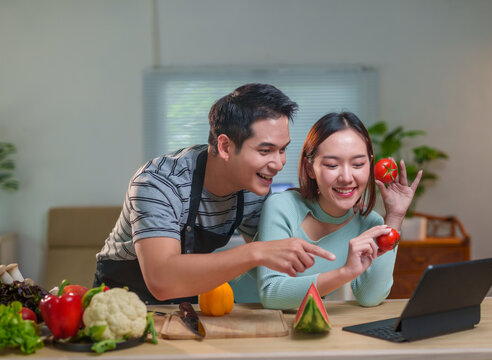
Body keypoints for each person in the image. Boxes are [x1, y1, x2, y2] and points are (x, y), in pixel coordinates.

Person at [93, 83, 335, 304]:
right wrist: (255, 252)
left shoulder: (253, 190)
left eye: (282, 150)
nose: (279, 163)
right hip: (122, 304)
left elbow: (281, 264)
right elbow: (162, 281)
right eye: (265, 150)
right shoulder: (158, 183)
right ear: (225, 146)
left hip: (185, 306)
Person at [255, 112, 422, 309]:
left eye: (358, 164)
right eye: (332, 165)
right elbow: (271, 293)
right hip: (245, 321)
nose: (346, 177)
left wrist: (394, 217)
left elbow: (370, 298)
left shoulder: (370, 225)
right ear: (310, 168)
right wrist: (345, 272)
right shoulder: (282, 207)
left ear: (369, 164)